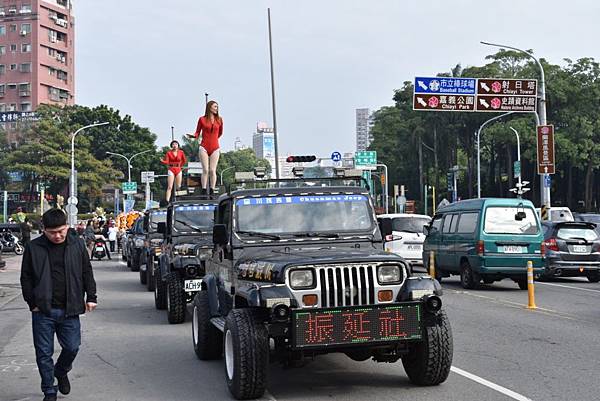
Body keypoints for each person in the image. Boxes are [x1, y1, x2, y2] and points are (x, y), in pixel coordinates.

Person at [20, 208, 97, 401]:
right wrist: (32, 303)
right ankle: (49, 390)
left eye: (61, 230)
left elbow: (86, 271)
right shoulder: (33, 247)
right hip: (42, 310)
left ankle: (61, 371)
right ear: (44, 229)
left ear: (67, 226)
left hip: (70, 308)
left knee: (72, 347)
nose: (57, 235)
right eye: (52, 232)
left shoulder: (77, 245)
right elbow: (26, 277)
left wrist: (91, 297)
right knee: (43, 353)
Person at [187, 100, 223, 195]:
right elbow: (197, 132)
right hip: (204, 147)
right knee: (205, 170)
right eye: (215, 106)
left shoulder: (219, 119)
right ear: (209, 107)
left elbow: (220, 133)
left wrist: (214, 139)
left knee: (212, 170)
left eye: (217, 107)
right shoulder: (202, 119)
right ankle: (203, 190)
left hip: (215, 147)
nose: (217, 108)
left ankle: (212, 190)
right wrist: (194, 136)